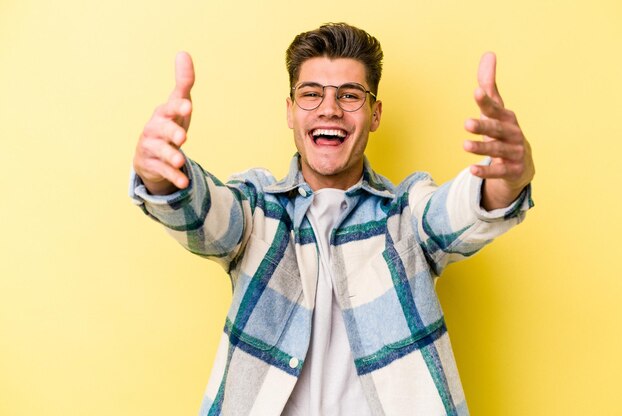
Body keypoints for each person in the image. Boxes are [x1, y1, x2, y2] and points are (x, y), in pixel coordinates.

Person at [130, 23, 534, 416]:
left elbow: (456, 212)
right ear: (290, 112)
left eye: (350, 95)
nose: (329, 108)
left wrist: (503, 180)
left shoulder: (406, 213)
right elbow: (208, 214)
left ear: (375, 114)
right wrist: (163, 177)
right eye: (311, 94)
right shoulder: (257, 210)